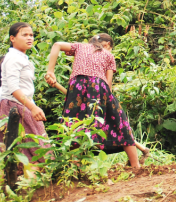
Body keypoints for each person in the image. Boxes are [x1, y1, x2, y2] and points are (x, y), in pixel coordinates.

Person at [44, 33, 141, 167]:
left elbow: (57, 45)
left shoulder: (80, 46)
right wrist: (111, 106)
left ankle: (76, 168)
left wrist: (50, 71)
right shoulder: (108, 55)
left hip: (76, 87)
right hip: (99, 87)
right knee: (119, 122)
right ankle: (136, 166)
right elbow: (108, 84)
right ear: (107, 45)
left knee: (74, 124)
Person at [45, 69, 150, 165]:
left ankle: (137, 160)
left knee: (111, 128)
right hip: (89, 102)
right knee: (82, 131)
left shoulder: (102, 63)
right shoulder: (84, 71)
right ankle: (76, 167)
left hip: (100, 101)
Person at [0, 23, 50, 161]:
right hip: (13, 107)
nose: (29, 38)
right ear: (12, 38)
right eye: (24, 35)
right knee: (32, 151)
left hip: (22, 104)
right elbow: (13, 88)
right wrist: (32, 107)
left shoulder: (21, 57)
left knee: (31, 150)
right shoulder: (13, 58)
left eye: (31, 35)